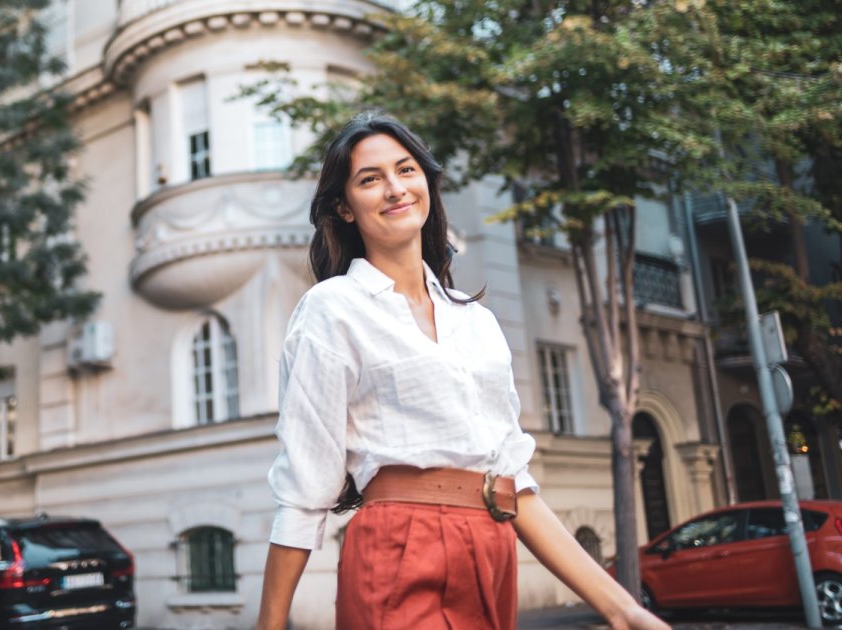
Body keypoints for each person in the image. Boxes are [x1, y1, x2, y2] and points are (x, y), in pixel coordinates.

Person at [256, 113, 668, 630]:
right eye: (369, 179)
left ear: (426, 182)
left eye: (406, 170)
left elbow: (514, 482)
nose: (393, 188)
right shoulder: (332, 309)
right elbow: (304, 489)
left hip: (490, 547)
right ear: (343, 207)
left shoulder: (477, 322)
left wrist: (623, 610)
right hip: (398, 546)